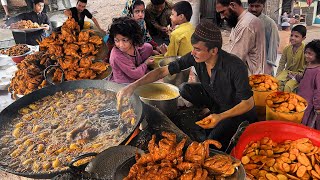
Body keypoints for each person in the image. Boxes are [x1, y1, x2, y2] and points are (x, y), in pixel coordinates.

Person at [117, 20, 257, 151]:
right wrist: (133, 86)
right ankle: (209, 110)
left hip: (236, 110)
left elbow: (248, 103)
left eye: (197, 49)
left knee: (210, 144)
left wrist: (220, 117)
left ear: (213, 51)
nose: (192, 52)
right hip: (215, 99)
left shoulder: (235, 66)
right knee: (185, 88)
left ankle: (223, 121)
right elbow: (161, 71)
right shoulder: (195, 57)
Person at [216, 0, 266, 75]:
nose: (222, 16)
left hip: (250, 79)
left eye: (223, 12)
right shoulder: (241, 21)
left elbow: (235, 58)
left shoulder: (246, 25)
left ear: (233, 5)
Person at [108, 16, 154, 84]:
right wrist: (146, 64)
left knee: (148, 47)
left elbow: (146, 48)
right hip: (126, 82)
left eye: (124, 40)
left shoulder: (133, 44)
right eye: (116, 40)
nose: (121, 45)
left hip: (135, 69)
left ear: (133, 38)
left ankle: (141, 69)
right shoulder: (117, 56)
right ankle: (141, 69)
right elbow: (135, 74)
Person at [248, 0, 279, 76]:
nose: (254, 9)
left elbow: (273, 45)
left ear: (263, 6)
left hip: (262, 66)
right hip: (247, 64)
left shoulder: (269, 24)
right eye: (251, 6)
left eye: (257, 6)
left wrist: (269, 66)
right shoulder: (243, 21)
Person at [296, 40, 320, 130]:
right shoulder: (309, 65)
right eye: (306, 52)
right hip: (301, 98)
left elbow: (318, 90)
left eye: (310, 54)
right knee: (300, 116)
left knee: (308, 121)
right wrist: (296, 77)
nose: (306, 55)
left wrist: (317, 106)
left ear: (318, 55)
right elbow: (304, 79)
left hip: (310, 103)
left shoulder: (318, 71)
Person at [276, 25, 307, 92]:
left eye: (296, 36)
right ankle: (278, 100)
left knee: (288, 87)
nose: (292, 38)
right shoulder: (286, 49)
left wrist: (299, 75)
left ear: (303, 38)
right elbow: (281, 64)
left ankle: (289, 101)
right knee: (276, 82)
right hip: (287, 72)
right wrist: (278, 75)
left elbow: (308, 67)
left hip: (299, 75)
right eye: (291, 35)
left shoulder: (306, 50)